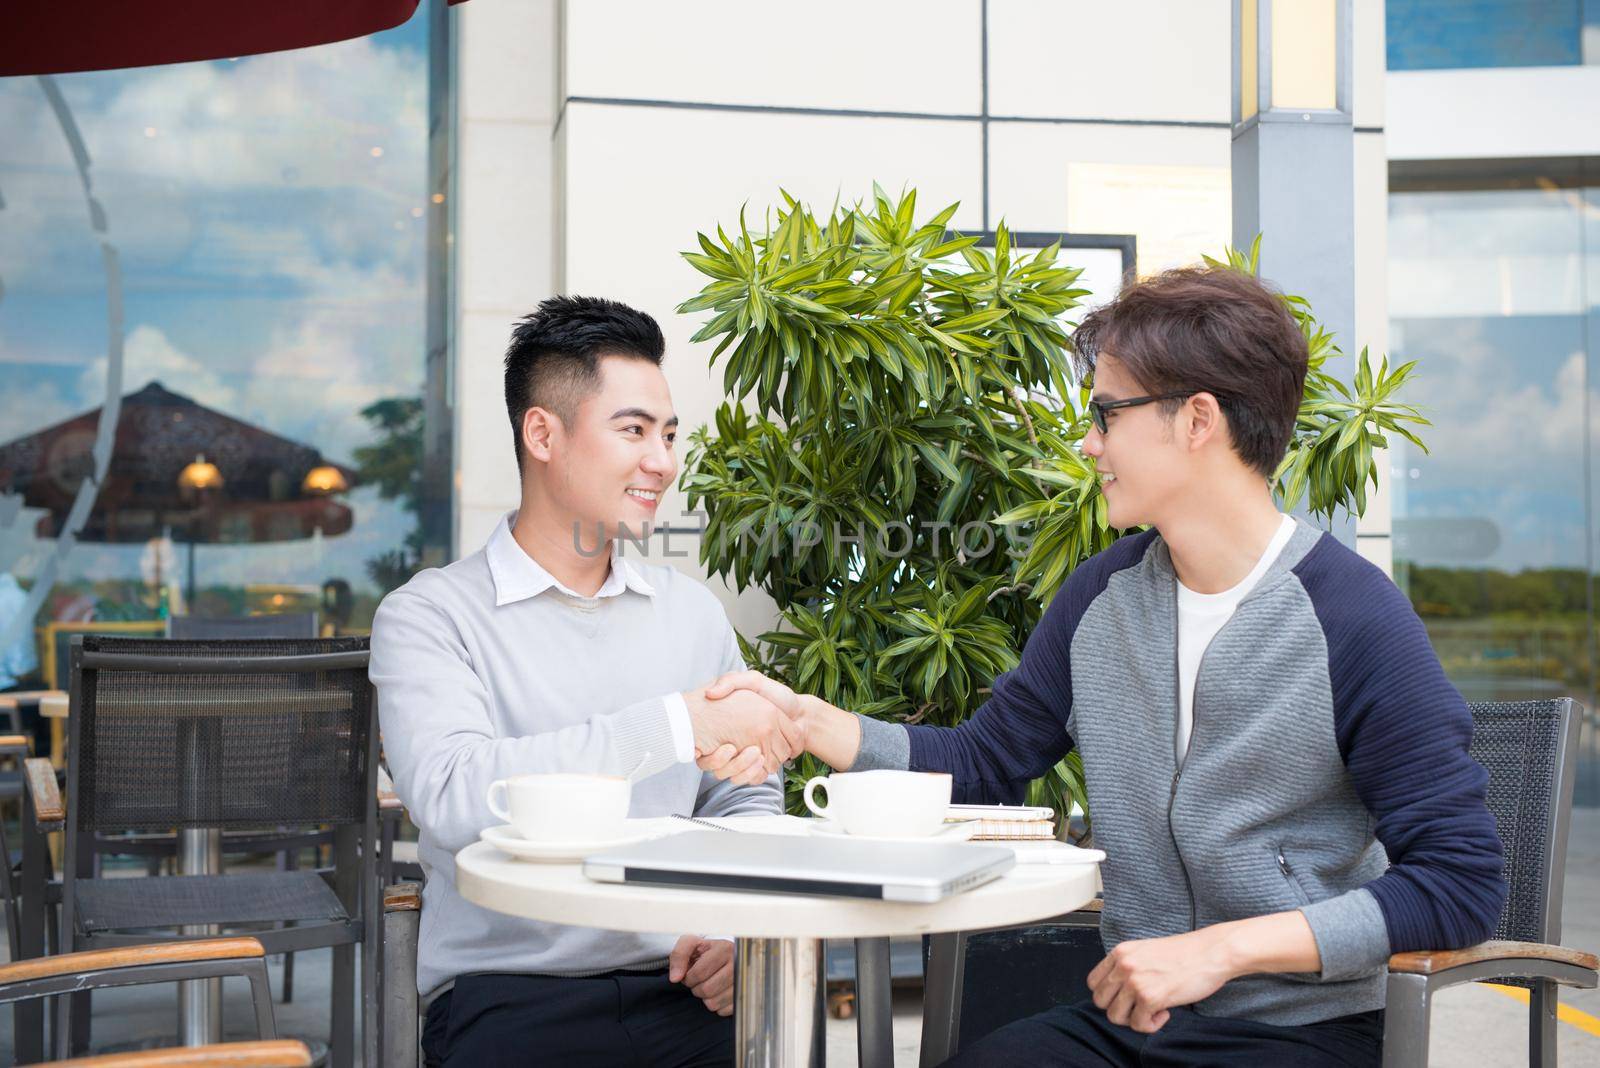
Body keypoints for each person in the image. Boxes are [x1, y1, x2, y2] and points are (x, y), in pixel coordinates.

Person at [707, 267, 1508, 1066]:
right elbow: (986, 764)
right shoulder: (1103, 596)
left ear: (1198, 420)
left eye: (1106, 414)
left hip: (1301, 1034)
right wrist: (807, 721)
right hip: (1132, 1026)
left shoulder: (1354, 617)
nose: (1088, 443)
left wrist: (1219, 951)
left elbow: (1460, 882)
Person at [371, 296, 798, 1068]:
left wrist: (736, 934)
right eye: (633, 431)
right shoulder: (430, 616)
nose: (662, 462)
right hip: (509, 994)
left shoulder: (691, 613)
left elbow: (747, 793)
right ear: (543, 433)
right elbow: (453, 793)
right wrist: (672, 726)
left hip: (680, 990)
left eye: (668, 436)